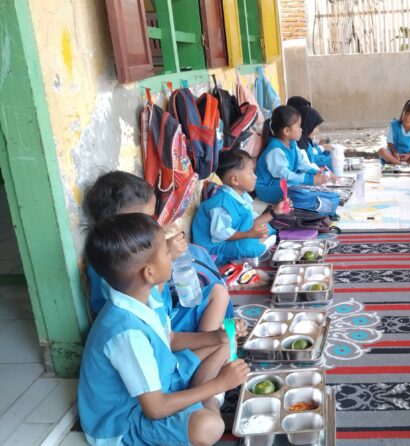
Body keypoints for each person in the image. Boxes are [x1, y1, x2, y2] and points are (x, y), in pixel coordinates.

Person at [78, 213, 249, 446]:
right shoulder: (126, 334)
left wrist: (217, 336)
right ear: (149, 273)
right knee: (209, 427)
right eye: (166, 253)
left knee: (226, 341)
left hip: (163, 377)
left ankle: (199, 399)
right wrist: (220, 384)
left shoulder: (147, 296)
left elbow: (169, 339)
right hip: (125, 421)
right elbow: (155, 409)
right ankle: (208, 401)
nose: (172, 256)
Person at [82, 171, 241, 335]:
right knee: (218, 334)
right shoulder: (111, 263)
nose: (152, 224)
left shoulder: (129, 248)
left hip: (166, 313)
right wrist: (168, 255)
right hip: (153, 327)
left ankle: (219, 337)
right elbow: (146, 304)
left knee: (217, 291)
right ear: (121, 222)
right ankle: (214, 342)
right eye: (145, 219)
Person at [193, 149, 290, 266]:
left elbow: (252, 222)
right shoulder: (221, 204)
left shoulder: (241, 195)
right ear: (235, 180)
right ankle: (251, 253)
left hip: (234, 238)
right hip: (215, 250)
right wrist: (249, 234)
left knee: (266, 227)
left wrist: (275, 212)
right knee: (248, 246)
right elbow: (220, 234)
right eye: (251, 173)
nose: (255, 177)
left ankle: (255, 248)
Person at [254, 105, 327, 204]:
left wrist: (315, 172)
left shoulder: (292, 143)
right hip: (268, 188)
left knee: (300, 184)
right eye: (299, 126)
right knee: (297, 188)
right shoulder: (275, 150)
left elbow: (302, 163)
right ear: (286, 131)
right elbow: (285, 175)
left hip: (281, 182)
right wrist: (310, 179)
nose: (301, 129)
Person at [378, 99, 410, 165]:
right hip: (394, 156)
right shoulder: (394, 125)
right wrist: (394, 152)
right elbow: (390, 142)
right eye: (406, 113)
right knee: (381, 151)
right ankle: (400, 164)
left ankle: (405, 163)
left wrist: (409, 155)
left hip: (409, 157)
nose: (407, 117)